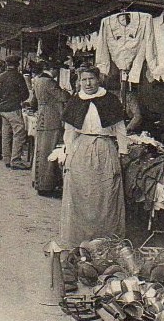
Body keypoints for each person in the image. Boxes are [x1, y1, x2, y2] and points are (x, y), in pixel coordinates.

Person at [60, 66, 128, 246]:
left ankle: (105, 241)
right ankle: (81, 239)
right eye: (84, 80)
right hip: (81, 149)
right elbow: (69, 130)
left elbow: (120, 128)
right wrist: (67, 152)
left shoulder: (110, 100)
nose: (88, 83)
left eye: (91, 79)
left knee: (105, 195)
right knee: (81, 193)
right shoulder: (76, 101)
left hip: (105, 148)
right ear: (79, 82)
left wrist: (123, 150)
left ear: (98, 80)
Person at [31, 60, 71, 194]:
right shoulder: (49, 82)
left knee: (41, 150)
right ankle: (45, 185)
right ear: (52, 69)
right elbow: (63, 96)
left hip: (43, 116)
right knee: (47, 152)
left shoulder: (37, 80)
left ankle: (39, 181)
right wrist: (67, 92)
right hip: (51, 118)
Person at [0, 55, 31, 170]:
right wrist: (19, 99)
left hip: (2, 109)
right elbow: (25, 94)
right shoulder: (18, 76)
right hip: (13, 108)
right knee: (19, 132)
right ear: (17, 64)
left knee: (6, 134)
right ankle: (15, 159)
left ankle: (6, 158)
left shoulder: (0, 76)